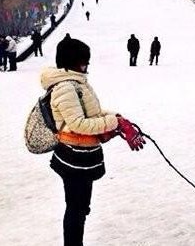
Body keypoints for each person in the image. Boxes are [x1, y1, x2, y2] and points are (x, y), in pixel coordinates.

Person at [40, 38, 145, 246]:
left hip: (81, 156)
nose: (87, 65)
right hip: (74, 157)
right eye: (83, 61)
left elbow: (92, 114)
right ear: (74, 61)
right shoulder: (66, 87)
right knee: (76, 208)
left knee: (80, 207)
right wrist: (114, 122)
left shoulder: (76, 83)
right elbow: (78, 124)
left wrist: (118, 118)